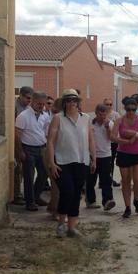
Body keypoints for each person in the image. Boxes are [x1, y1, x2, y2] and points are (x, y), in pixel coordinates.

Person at [47, 89, 96, 238]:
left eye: (74, 100)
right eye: (68, 100)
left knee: (76, 194)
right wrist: (51, 162)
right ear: (64, 102)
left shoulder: (86, 118)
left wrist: (94, 158)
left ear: (78, 102)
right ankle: (61, 223)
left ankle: (71, 227)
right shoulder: (58, 118)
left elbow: (91, 139)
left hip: (81, 161)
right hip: (62, 161)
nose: (71, 103)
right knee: (67, 191)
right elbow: (50, 141)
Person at [111, 97, 138, 218]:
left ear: (136, 109)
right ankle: (127, 207)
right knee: (125, 181)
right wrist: (126, 142)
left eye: (133, 109)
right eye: (128, 109)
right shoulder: (119, 120)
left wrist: (134, 134)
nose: (131, 112)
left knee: (137, 179)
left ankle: (136, 199)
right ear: (125, 109)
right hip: (124, 152)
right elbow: (113, 137)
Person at [15, 91, 49, 211]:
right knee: (29, 176)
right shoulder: (23, 116)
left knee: (44, 173)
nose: (41, 106)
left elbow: (45, 131)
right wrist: (20, 151)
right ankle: (30, 202)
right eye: (39, 103)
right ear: (33, 102)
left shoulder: (45, 116)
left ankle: (36, 196)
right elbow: (17, 135)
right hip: (28, 149)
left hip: (41, 148)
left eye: (43, 104)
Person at [85, 104, 116, 211]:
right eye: (100, 114)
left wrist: (107, 128)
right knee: (90, 179)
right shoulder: (90, 123)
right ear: (96, 113)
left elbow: (111, 139)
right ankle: (90, 200)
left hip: (105, 155)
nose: (102, 116)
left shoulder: (110, 123)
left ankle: (107, 200)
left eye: (104, 114)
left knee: (106, 179)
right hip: (92, 155)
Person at [13, 86, 34, 205]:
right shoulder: (15, 106)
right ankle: (17, 195)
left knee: (25, 170)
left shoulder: (28, 107)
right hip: (17, 142)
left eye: (30, 99)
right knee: (17, 168)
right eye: (27, 98)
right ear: (20, 95)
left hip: (27, 142)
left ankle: (26, 194)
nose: (29, 101)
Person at [104, 98, 121, 188]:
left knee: (111, 161)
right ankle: (104, 179)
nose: (109, 106)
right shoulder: (101, 114)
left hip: (113, 141)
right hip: (103, 141)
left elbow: (119, 126)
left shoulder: (116, 114)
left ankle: (110, 178)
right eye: (107, 104)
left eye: (110, 104)